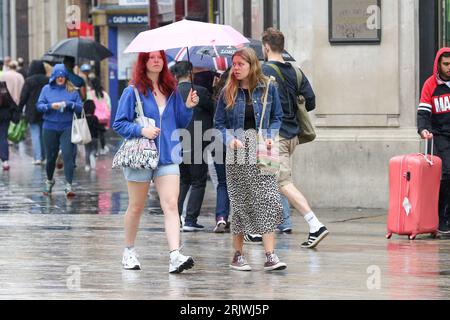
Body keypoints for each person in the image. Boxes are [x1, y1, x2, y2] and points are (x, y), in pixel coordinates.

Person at [113, 50, 199, 273]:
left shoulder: (171, 90)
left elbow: (180, 122)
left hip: (168, 154)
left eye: (160, 57)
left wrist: (188, 107)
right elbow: (119, 124)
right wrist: (142, 129)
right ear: (143, 62)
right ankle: (129, 251)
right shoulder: (132, 91)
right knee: (136, 206)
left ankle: (175, 255)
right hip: (141, 156)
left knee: (171, 205)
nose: (156, 60)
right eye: (151, 57)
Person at [215, 47, 287, 271]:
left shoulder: (268, 88)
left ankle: (270, 255)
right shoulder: (227, 90)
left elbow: (277, 117)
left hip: (263, 148)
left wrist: (269, 136)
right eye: (234, 64)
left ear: (252, 65)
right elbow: (218, 123)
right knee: (240, 202)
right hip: (237, 150)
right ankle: (238, 255)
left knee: (267, 198)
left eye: (240, 64)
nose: (235, 68)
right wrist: (229, 139)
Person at [261, 27, 329, 248]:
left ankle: (314, 224)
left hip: (274, 136)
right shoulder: (296, 71)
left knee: (282, 181)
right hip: (292, 135)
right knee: (266, 179)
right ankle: (259, 228)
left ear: (266, 47)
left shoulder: (263, 71)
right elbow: (311, 102)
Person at [170, 61, 214, 232]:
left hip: (177, 141)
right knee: (198, 181)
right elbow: (214, 109)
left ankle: (176, 217)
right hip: (197, 140)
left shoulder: (171, 94)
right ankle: (190, 219)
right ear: (190, 73)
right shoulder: (199, 92)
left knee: (183, 180)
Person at [37, 64, 82, 197]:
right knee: (50, 158)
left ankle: (68, 185)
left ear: (66, 77)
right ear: (53, 77)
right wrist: (50, 106)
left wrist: (70, 104)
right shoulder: (46, 89)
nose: (60, 78)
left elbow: (80, 108)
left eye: (62, 76)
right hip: (49, 127)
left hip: (67, 127)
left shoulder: (72, 90)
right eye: (58, 76)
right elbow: (39, 106)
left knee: (68, 155)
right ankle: (49, 181)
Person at [418, 47, 450, 234]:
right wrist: (423, 129)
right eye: (446, 64)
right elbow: (423, 112)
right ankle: (442, 217)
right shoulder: (430, 84)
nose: (449, 68)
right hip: (439, 135)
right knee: (446, 173)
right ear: (438, 64)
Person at [18, 60, 49, 165]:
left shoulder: (29, 81)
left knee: (35, 134)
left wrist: (19, 109)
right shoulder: (47, 80)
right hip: (45, 109)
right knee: (44, 134)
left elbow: (23, 97)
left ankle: (38, 157)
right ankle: (44, 156)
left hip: (32, 110)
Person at [87, 77, 111, 155]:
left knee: (94, 134)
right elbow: (109, 106)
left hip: (93, 117)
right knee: (101, 133)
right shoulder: (104, 94)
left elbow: (87, 105)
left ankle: (95, 150)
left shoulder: (90, 94)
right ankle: (103, 148)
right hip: (103, 117)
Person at [0, 82, 20, 170]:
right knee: (3, 138)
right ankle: (5, 162)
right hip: (5, 116)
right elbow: (11, 103)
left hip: (4, 115)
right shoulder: (2, 86)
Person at [82, 100, 103, 171]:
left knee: (87, 151)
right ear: (93, 108)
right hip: (94, 137)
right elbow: (98, 127)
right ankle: (92, 155)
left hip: (86, 137)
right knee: (95, 150)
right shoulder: (95, 118)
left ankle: (87, 166)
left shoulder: (83, 118)